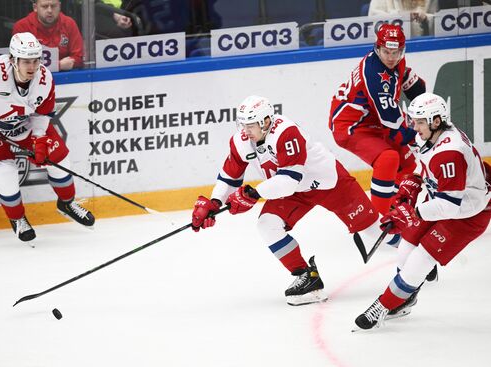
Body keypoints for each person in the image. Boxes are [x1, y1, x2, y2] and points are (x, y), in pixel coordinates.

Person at [191, 95, 396, 306]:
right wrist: (215, 202)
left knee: (374, 232)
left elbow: (289, 180)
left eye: (250, 125)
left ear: (266, 122)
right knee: (267, 224)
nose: (245, 130)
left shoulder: (286, 132)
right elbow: (229, 177)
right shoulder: (240, 141)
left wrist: (252, 194)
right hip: (293, 191)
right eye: (242, 124)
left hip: (328, 183)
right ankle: (308, 278)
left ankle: (415, 252)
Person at [354, 92, 491, 330]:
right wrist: (408, 191)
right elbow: (424, 167)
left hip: (469, 212)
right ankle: (406, 295)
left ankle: (384, 306)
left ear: (436, 121)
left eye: (418, 121)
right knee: (406, 247)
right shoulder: (432, 136)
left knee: (421, 258)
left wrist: (412, 213)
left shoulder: (450, 153)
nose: (413, 127)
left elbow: (450, 205)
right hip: (446, 201)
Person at [0, 32, 95, 243]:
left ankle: (67, 203)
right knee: (6, 174)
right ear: (13, 59)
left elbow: (43, 113)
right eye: (25, 61)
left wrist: (40, 139)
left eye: (36, 60)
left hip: (24, 124)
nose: (32, 67)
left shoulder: (44, 79)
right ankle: (18, 219)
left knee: (59, 161)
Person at [329, 24, 426, 223]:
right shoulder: (374, 75)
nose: (391, 57)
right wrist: (420, 135)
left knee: (407, 163)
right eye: (386, 52)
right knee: (388, 158)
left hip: (374, 120)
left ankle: (399, 209)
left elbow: (404, 77)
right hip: (351, 126)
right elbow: (392, 122)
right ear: (377, 48)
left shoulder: (395, 60)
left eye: (396, 52)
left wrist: (422, 97)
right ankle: (378, 220)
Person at [12, 0, 84, 71]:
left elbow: (79, 57)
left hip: (67, 79)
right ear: (35, 7)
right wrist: (58, 65)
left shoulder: (69, 24)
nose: (50, 10)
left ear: (59, 6)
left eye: (53, 6)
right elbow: (19, 62)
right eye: (44, 6)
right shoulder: (22, 27)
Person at [368, 0, 439, 37]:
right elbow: (372, 22)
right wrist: (401, 17)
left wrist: (426, 18)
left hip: (422, 47)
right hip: (391, 50)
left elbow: (438, 22)